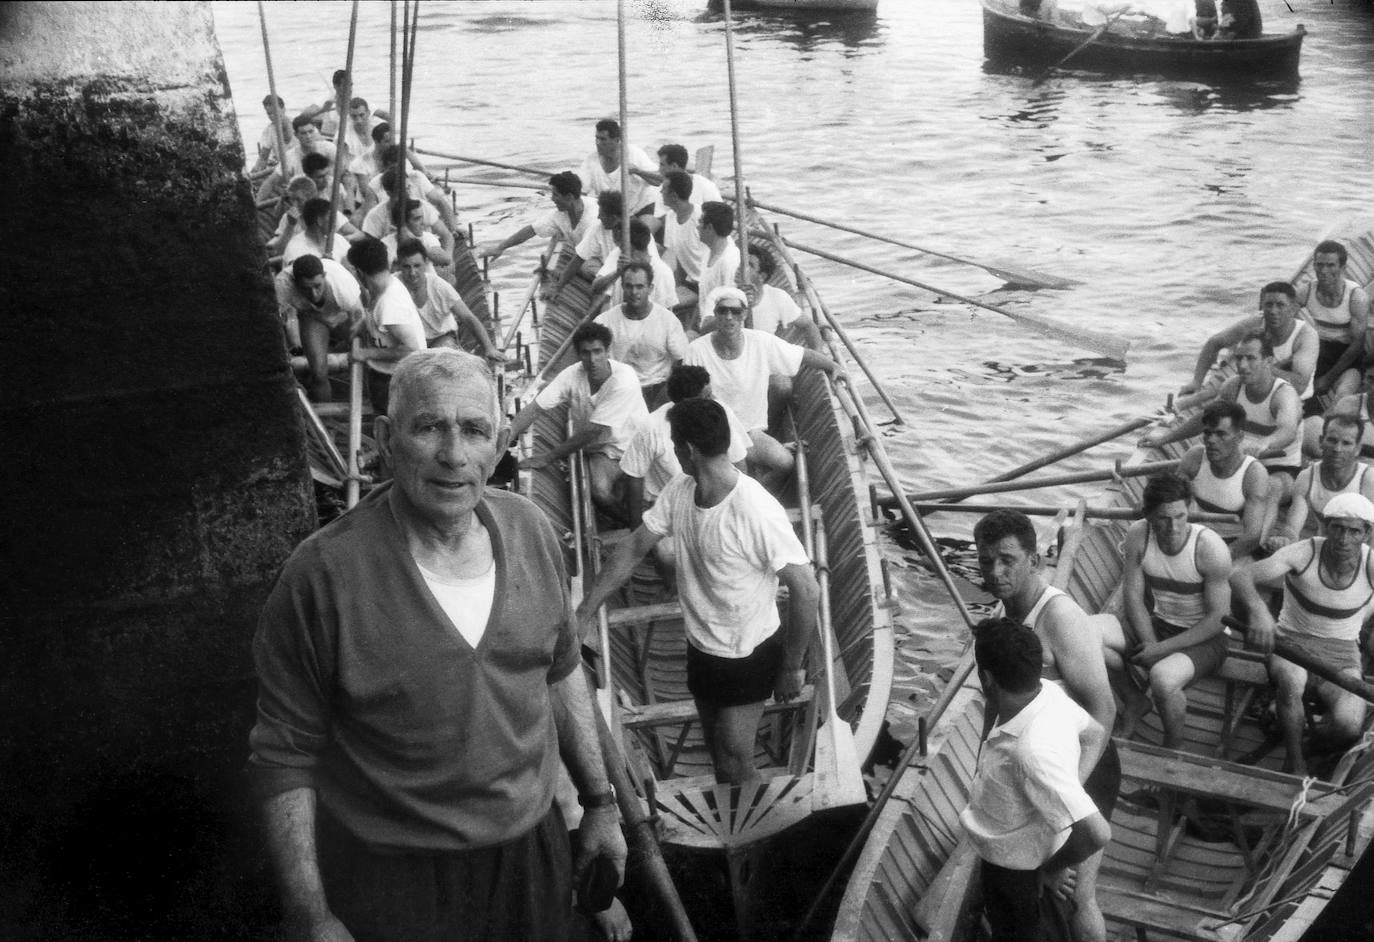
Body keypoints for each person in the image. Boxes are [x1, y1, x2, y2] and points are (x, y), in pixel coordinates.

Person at [249, 348, 626, 942]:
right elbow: (283, 756)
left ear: (500, 444)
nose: (454, 455)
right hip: (396, 880)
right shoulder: (321, 577)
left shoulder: (531, 532)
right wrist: (313, 916)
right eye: (429, 427)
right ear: (384, 438)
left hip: (531, 853)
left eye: (475, 431)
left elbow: (560, 672)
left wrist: (600, 805)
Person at [575, 397, 818, 785]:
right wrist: (585, 610)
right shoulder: (681, 489)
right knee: (718, 753)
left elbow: (806, 590)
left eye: (673, 444)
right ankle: (736, 814)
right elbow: (635, 547)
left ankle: (756, 830)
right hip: (701, 645)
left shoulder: (756, 509)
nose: (671, 451)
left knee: (737, 760)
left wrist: (791, 667)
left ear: (688, 449)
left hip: (748, 653)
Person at [973, 509, 1118, 942]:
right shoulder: (1005, 612)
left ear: (1034, 561)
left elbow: (1104, 711)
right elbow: (996, 708)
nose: (995, 572)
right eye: (985, 561)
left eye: (1007, 560)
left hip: (1083, 768)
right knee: (1037, 885)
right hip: (1039, 770)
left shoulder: (1062, 619)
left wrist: (1067, 793)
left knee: (1080, 897)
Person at [960, 617, 1111, 942]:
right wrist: (1069, 792)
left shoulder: (1030, 752)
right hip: (1021, 853)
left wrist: (1050, 866)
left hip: (1018, 871)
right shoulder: (1048, 695)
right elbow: (1095, 735)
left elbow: (1097, 832)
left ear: (987, 678)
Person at [1230, 492, 1374, 775]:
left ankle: (1304, 743)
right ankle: (1295, 762)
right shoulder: (1304, 552)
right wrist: (1260, 612)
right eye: (1338, 528)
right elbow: (1240, 576)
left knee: (1349, 724)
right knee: (1291, 682)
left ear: (1366, 534)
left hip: (1341, 654)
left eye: (1354, 531)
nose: (1344, 540)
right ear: (1325, 525)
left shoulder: (1370, 564)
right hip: (1291, 644)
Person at [684, 287, 845, 491]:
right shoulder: (696, 350)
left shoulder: (760, 342)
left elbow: (802, 354)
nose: (729, 317)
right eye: (723, 311)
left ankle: (754, 493)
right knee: (731, 478)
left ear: (744, 314)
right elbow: (688, 402)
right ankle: (742, 492)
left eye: (735, 311)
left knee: (785, 463)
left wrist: (833, 367)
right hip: (714, 436)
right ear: (715, 315)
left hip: (750, 432)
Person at [1145, 332, 1301, 541]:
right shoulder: (1233, 386)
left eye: (1251, 358)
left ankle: (1260, 543)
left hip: (1279, 467)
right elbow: (1206, 418)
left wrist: (1264, 444)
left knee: (1271, 488)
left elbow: (1287, 431)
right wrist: (1164, 439)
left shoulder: (1284, 395)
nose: (1243, 365)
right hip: (1236, 458)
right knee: (1179, 480)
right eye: (1239, 358)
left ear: (1269, 361)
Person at [1116, 473, 1232, 748]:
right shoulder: (1138, 534)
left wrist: (1161, 650)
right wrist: (1152, 644)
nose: (1174, 527)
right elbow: (1132, 597)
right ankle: (1134, 699)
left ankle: (1173, 748)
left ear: (1189, 509)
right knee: (1088, 635)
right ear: (1148, 516)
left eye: (1180, 516)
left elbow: (1218, 619)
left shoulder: (1209, 547)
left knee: (1162, 678)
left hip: (1207, 638)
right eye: (1163, 519)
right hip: (1159, 625)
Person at [509, 321, 649, 513]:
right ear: (578, 354)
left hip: (633, 445)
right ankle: (622, 518)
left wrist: (548, 457)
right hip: (603, 448)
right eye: (586, 353)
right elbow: (534, 409)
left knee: (603, 492)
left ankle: (634, 524)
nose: (592, 359)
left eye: (598, 351)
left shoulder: (624, 379)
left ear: (608, 351)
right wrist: (506, 437)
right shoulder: (572, 374)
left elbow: (592, 432)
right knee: (598, 493)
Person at [619, 364, 751, 530]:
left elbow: (740, 464)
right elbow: (634, 476)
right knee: (666, 554)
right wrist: (636, 527)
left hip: (716, 500)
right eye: (708, 396)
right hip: (668, 508)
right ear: (688, 404)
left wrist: (741, 509)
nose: (714, 399)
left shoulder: (719, 412)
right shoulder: (651, 426)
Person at [1177, 282, 1317, 416]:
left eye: (1280, 305)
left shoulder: (1306, 336)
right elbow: (1214, 342)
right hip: (1253, 388)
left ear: (1293, 309)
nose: (1273, 311)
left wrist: (1261, 367)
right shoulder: (1256, 322)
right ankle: (1192, 404)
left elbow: (1300, 386)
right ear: (1262, 306)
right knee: (1239, 366)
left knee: (1241, 369)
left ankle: (1197, 404)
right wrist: (1196, 381)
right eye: (1269, 305)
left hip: (1291, 399)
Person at [1172, 400, 1270, 560]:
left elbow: (1252, 536)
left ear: (1239, 437)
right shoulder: (1194, 457)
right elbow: (1170, 500)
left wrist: (1216, 559)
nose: (1211, 440)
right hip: (1195, 539)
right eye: (1207, 433)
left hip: (1234, 548)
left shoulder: (1254, 474)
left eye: (1220, 434)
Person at [1268, 413, 1374, 549]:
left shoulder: (1369, 479)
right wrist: (1286, 540)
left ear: (1357, 449)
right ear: (1320, 441)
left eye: (1346, 443)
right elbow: (1293, 527)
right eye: (1332, 440)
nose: (1337, 449)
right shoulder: (1307, 478)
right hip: (1325, 550)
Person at [346, 237, 426, 417]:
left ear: (359, 272)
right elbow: (378, 317)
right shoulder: (381, 288)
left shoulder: (390, 303)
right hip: (384, 373)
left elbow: (411, 350)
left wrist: (366, 353)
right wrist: (364, 324)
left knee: (390, 426)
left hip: (400, 380)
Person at [594, 261, 688, 407]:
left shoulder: (667, 320)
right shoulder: (604, 322)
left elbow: (682, 362)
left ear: (650, 289)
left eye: (640, 287)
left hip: (656, 391)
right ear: (622, 287)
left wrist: (665, 394)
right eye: (629, 286)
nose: (634, 292)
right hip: (619, 391)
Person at [274, 254, 365, 402]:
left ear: (324, 276)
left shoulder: (342, 284)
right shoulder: (283, 284)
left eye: (317, 286)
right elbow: (274, 326)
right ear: (295, 283)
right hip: (313, 317)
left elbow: (361, 322)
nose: (313, 294)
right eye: (306, 289)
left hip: (344, 315)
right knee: (318, 373)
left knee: (362, 361)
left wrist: (358, 353)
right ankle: (325, 421)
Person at [396, 239, 501, 361]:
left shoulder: (439, 286)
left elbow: (468, 318)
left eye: (417, 266)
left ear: (425, 263)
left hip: (440, 338)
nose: (413, 273)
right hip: (410, 343)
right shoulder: (393, 286)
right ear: (399, 266)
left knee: (443, 359)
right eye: (407, 267)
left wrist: (489, 348)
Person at [1296, 240, 1370, 402]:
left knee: (1343, 395)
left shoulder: (1356, 297)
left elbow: (1357, 345)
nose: (1323, 271)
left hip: (1348, 356)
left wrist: (1327, 379)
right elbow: (1285, 320)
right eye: (1319, 265)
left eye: (1330, 265)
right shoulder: (1306, 291)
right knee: (1294, 389)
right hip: (1320, 350)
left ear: (1342, 268)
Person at [480, 171, 597, 262]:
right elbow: (531, 230)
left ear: (569, 197)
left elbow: (585, 255)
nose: (552, 199)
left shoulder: (592, 218)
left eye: (556, 195)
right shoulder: (560, 215)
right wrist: (500, 247)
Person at [546, 191, 625, 302]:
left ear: (613, 217)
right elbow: (578, 259)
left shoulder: (635, 231)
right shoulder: (598, 228)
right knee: (586, 269)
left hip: (628, 278)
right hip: (610, 273)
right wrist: (558, 288)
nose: (598, 217)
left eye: (601, 214)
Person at [740, 244, 823, 350]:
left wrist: (818, 356)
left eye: (750, 265)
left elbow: (808, 325)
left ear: (762, 276)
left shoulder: (776, 297)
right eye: (742, 263)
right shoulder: (726, 292)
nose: (742, 268)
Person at [590, 219, 678, 313]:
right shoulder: (618, 255)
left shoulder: (663, 273)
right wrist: (617, 273)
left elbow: (665, 315)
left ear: (629, 246)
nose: (616, 245)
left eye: (619, 243)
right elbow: (596, 288)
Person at [579, 118, 657, 215]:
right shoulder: (591, 160)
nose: (598, 143)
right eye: (596, 138)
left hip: (641, 209)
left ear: (616, 140)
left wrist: (638, 171)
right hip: (613, 214)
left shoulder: (634, 153)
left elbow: (659, 180)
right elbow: (581, 192)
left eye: (603, 139)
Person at [654, 171, 706, 312]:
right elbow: (673, 255)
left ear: (674, 196)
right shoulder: (671, 217)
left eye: (664, 189)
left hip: (705, 285)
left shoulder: (700, 218)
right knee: (655, 299)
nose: (660, 191)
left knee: (662, 306)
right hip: (690, 283)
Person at [694, 201, 741, 331]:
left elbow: (730, 310)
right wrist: (692, 328)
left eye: (700, 223)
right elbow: (702, 296)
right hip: (705, 324)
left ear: (709, 228)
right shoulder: (708, 250)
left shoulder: (729, 262)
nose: (697, 227)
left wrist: (701, 333)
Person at [281, 197, 363, 268]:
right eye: (330, 217)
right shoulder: (295, 248)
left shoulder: (339, 239)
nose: (335, 221)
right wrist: (328, 265)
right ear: (319, 220)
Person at [634, 143, 723, 208]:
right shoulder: (664, 190)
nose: (659, 169)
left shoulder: (705, 186)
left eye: (662, 165)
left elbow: (719, 217)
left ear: (674, 166)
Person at [1329, 361, 1374, 464]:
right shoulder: (1348, 404)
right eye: (1371, 379)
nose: (1373, 387)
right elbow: (1334, 444)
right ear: (1363, 378)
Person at [251, 93, 292, 174]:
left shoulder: (296, 124)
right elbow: (263, 157)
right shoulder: (269, 130)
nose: (272, 116)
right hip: (281, 168)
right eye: (269, 114)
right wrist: (255, 172)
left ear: (283, 109)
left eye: (275, 112)